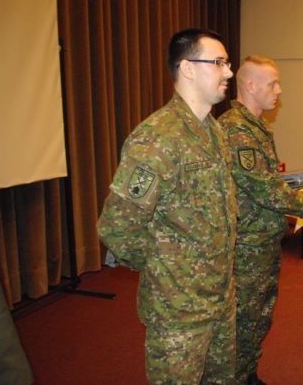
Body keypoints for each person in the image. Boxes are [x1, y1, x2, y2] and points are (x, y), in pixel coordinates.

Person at [97, 28, 238, 384]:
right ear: (187, 68)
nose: (229, 71)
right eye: (219, 62)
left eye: (227, 63)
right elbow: (117, 226)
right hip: (179, 310)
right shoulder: (158, 137)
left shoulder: (213, 131)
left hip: (220, 296)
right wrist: (165, 268)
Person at [218, 55, 303, 385]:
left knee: (258, 318)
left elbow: (268, 182)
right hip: (246, 247)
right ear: (250, 86)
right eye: (272, 84)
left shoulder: (257, 127)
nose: (279, 90)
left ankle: (247, 374)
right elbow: (262, 187)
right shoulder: (237, 129)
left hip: (262, 242)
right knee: (243, 320)